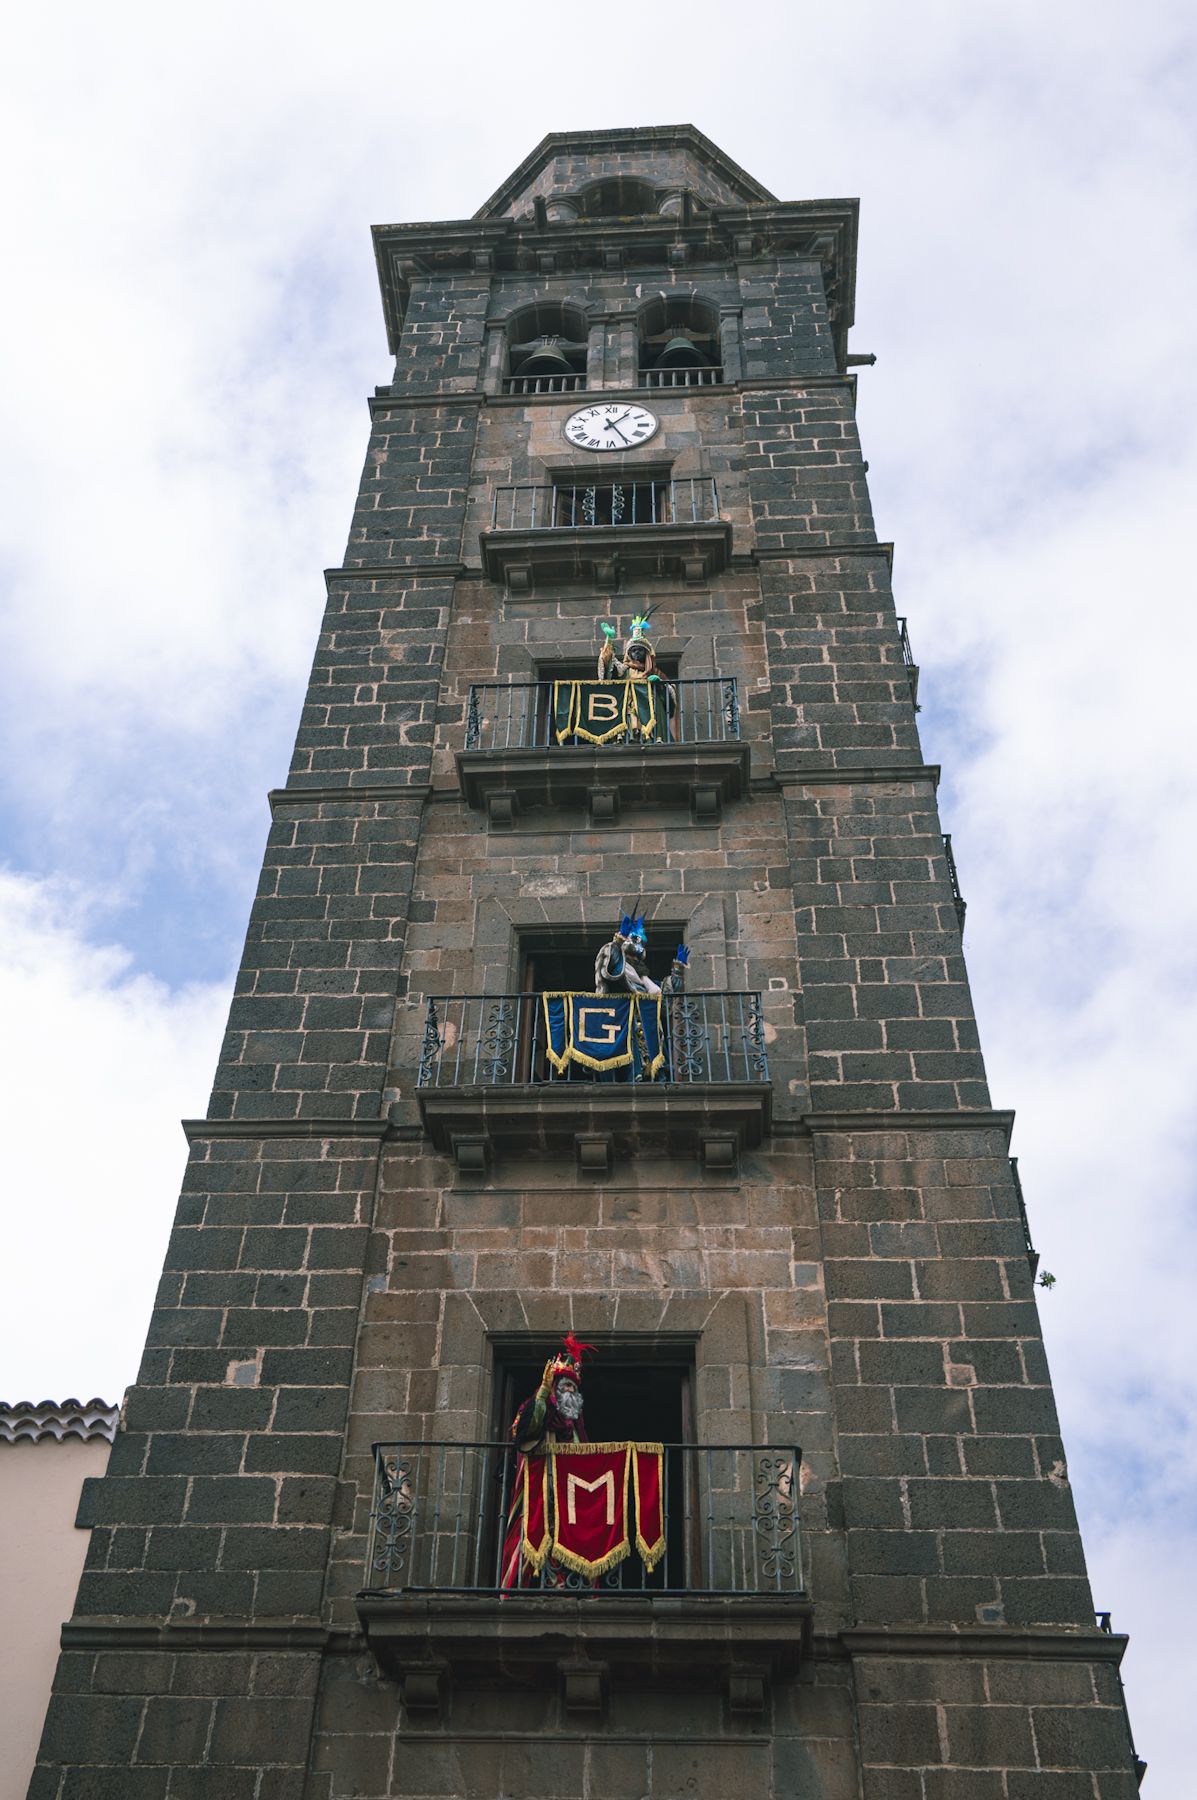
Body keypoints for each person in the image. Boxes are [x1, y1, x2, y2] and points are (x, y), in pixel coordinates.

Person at [501, 1334, 594, 1590]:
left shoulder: (577, 1426)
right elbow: (526, 1433)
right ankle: (531, 1583)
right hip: (540, 1486)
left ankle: (567, 1581)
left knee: (571, 1534)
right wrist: (542, 1392)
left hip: (570, 1491)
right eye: (565, 1386)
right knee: (534, 1533)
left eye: (574, 1388)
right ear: (555, 1388)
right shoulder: (536, 1407)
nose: (570, 1392)